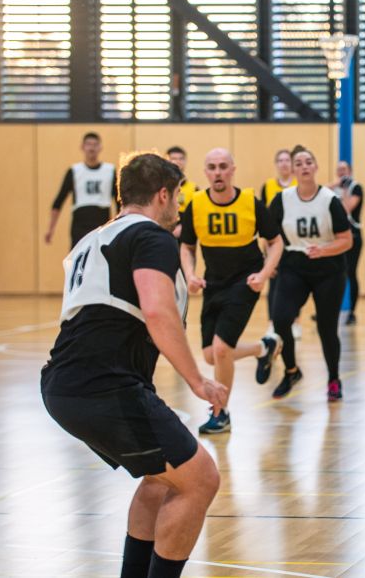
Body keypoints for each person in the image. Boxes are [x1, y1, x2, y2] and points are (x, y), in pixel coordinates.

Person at [41, 152, 229, 578]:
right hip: (102, 385)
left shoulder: (92, 238)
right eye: (178, 194)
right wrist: (199, 381)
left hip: (65, 382)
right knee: (201, 479)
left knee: (161, 478)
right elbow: (158, 311)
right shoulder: (151, 236)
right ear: (162, 194)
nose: (180, 204)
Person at [180, 148, 283, 434]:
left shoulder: (250, 202)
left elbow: (276, 242)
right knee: (211, 356)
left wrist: (263, 274)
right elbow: (187, 247)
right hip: (214, 283)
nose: (218, 172)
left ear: (233, 170)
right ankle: (265, 347)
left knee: (222, 349)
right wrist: (190, 275)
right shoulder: (196, 204)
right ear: (205, 172)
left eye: (223, 166)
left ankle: (220, 412)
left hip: (245, 281)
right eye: (212, 167)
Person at [267, 145, 353, 401]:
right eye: (299, 163)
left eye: (308, 162)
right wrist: (269, 262)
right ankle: (292, 370)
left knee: (327, 329)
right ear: (292, 169)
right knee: (281, 319)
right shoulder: (282, 200)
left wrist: (324, 250)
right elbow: (271, 238)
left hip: (329, 269)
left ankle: (334, 379)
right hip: (294, 264)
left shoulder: (330, 200)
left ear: (315, 167)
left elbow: (346, 240)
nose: (304, 166)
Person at [44, 132, 117, 248]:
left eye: (95, 144)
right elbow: (59, 201)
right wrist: (50, 229)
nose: (91, 148)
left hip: (102, 220)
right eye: (88, 144)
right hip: (80, 222)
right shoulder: (74, 171)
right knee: (78, 259)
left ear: (100, 147)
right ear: (82, 147)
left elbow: (119, 201)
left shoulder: (110, 170)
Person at [260, 149, 301, 339]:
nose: (284, 163)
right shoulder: (267, 186)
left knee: (296, 283)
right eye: (280, 160)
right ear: (276, 164)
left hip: (296, 240)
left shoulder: (298, 184)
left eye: (287, 160)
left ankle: (296, 322)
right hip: (275, 239)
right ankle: (271, 323)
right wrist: (265, 247)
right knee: (274, 284)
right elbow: (263, 218)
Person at [331, 160, 364, 325]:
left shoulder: (355, 188)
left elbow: (346, 209)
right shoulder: (332, 190)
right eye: (338, 170)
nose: (341, 173)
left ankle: (351, 312)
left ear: (350, 171)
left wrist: (343, 189)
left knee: (351, 273)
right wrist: (333, 185)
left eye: (344, 170)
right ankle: (330, 310)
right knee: (333, 274)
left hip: (354, 238)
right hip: (336, 239)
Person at [166, 146, 198, 240]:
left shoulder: (194, 189)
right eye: (173, 159)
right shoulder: (159, 188)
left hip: (185, 238)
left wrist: (184, 227)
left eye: (181, 159)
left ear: (185, 162)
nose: (177, 162)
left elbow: (197, 214)